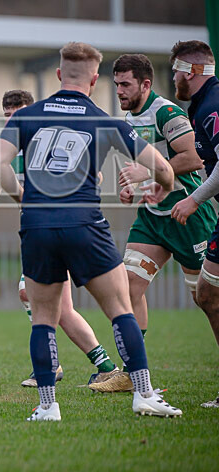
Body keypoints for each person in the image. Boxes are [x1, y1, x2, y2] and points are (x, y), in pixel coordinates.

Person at [0, 42, 180, 420]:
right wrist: (164, 185)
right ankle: (143, 394)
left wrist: (22, 198)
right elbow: (164, 167)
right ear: (95, 80)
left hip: (38, 224)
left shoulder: (27, 115)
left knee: (44, 316)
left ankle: (47, 406)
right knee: (120, 309)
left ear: (59, 75)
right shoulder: (105, 121)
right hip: (84, 224)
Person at [88, 53, 216, 393]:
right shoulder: (127, 121)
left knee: (209, 300)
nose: (119, 91)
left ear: (146, 83)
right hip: (153, 220)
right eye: (115, 84)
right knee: (128, 286)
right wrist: (130, 186)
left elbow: (194, 157)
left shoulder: (167, 112)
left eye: (126, 84)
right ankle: (132, 373)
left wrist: (147, 171)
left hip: (189, 217)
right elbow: (139, 166)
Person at [0, 90, 121, 389]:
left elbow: (96, 178)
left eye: (16, 114)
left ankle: (57, 366)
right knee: (60, 308)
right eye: (7, 116)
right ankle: (102, 366)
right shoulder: (11, 148)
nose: (11, 120)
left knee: (34, 296)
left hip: (65, 231)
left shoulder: (50, 141)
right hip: (41, 235)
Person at [167, 40, 219, 409]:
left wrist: (193, 199)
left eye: (176, 71)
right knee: (208, 294)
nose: (173, 78)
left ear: (194, 72)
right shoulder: (202, 105)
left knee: (207, 293)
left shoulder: (213, 106)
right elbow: (201, 158)